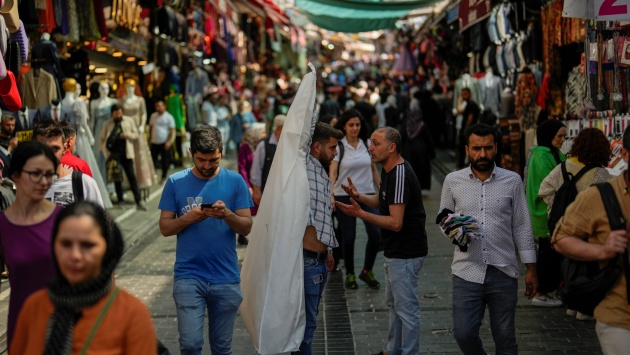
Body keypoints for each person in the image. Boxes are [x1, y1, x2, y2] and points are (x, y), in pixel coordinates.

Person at [439, 123, 537, 355]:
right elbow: (443, 217)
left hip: (503, 270)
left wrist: (531, 268)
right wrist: (457, 230)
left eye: (487, 148)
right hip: (466, 270)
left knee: (505, 336)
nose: (482, 154)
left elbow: (522, 225)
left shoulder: (512, 181)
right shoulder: (453, 180)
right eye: (476, 149)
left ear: (496, 148)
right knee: (463, 333)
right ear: (467, 149)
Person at [10, 201, 157, 354]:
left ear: (107, 248)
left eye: (87, 245)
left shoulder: (132, 314)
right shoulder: (34, 307)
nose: (75, 255)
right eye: (65, 244)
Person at [158, 125, 253, 354]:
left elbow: (247, 226)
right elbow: (164, 227)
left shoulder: (235, 181)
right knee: (190, 344)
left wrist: (227, 214)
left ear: (221, 151)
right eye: (201, 160)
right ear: (191, 152)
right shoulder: (175, 182)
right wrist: (188, 218)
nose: (207, 166)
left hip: (226, 277)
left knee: (222, 348)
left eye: (214, 160)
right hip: (189, 276)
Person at [335, 127, 429, 355]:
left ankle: (407, 352)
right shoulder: (389, 170)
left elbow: (396, 222)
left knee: (406, 310)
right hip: (396, 252)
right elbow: (383, 201)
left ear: (392, 147)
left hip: (406, 253)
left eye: (375, 144)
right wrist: (360, 198)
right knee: (395, 306)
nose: (370, 148)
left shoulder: (399, 174)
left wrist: (360, 214)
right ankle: (393, 349)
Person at [552, 126, 630, 355]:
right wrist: (601, 251)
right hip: (619, 318)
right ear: (624, 155)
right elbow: (561, 237)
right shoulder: (601, 193)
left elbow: (546, 188)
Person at [539, 127, 612, 319]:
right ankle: (584, 308)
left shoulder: (564, 166)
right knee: (588, 265)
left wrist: (557, 208)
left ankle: (572, 304)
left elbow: (544, 189)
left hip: (564, 223)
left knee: (570, 262)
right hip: (587, 227)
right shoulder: (600, 174)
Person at [0, 141, 62, 348]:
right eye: (35, 174)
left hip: (65, 326)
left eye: (49, 175)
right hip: (22, 328)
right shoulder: (3, 225)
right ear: (15, 175)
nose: (43, 181)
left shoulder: (65, 220)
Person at [294, 122, 343, 354]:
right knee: (306, 327)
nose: (335, 153)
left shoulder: (319, 171)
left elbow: (322, 215)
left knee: (307, 324)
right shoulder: (303, 169)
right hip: (308, 262)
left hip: (319, 260)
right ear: (316, 146)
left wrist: (330, 251)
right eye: (332, 148)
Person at [329, 109, 382, 290]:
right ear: (344, 126)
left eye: (357, 125)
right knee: (349, 237)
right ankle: (350, 274)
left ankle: (367, 271)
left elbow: (374, 170)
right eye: (351, 125)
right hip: (344, 194)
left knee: (376, 234)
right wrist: (330, 194)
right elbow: (333, 172)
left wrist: (383, 189)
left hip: (367, 194)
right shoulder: (339, 146)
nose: (354, 128)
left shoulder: (367, 144)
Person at [525, 119, 567, 307]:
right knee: (547, 254)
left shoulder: (553, 152)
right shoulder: (542, 156)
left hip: (553, 211)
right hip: (544, 211)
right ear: (549, 135)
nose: (562, 140)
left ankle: (549, 290)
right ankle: (541, 293)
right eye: (559, 136)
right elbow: (550, 184)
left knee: (551, 253)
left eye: (564, 136)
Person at [33, 121, 104, 207]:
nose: (49, 155)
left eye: (55, 148)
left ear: (65, 148)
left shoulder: (84, 183)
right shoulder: (25, 185)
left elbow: (98, 219)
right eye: (43, 148)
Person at [99, 105, 147, 210]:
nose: (118, 115)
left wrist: (127, 134)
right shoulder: (107, 124)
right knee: (117, 178)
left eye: (120, 112)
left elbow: (136, 134)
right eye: (116, 113)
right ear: (112, 114)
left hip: (127, 152)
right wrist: (106, 153)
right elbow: (101, 140)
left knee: (131, 176)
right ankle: (120, 200)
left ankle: (138, 200)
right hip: (114, 154)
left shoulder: (128, 121)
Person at [237, 122, 266, 246]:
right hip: (248, 182)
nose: (264, 135)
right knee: (246, 209)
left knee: (261, 210)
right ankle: (242, 234)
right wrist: (247, 185)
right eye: (262, 132)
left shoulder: (260, 145)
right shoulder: (245, 147)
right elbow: (241, 166)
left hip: (257, 182)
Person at [402, 90, 435, 192]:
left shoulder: (406, 124)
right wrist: (432, 153)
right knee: (421, 172)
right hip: (422, 152)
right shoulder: (422, 125)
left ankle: (410, 189)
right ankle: (418, 189)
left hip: (408, 152)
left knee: (410, 171)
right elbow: (428, 140)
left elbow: (401, 138)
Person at [250, 114, 286, 205]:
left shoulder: (288, 144)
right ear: (278, 129)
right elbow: (256, 169)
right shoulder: (264, 145)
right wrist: (257, 190)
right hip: (267, 189)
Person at [149, 100, 176, 182]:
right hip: (154, 142)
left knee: (165, 160)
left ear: (164, 106)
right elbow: (151, 128)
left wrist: (169, 141)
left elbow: (172, 131)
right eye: (156, 106)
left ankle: (164, 175)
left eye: (159, 106)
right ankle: (153, 175)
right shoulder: (153, 116)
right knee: (152, 160)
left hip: (164, 142)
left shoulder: (169, 117)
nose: (158, 108)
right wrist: (150, 138)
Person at [456, 88, 481, 169]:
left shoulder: (471, 104)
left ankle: (462, 165)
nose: (464, 96)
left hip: (468, 130)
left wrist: (466, 130)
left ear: (470, 94)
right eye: (462, 94)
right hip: (469, 130)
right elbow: (459, 111)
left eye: (466, 94)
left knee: (465, 149)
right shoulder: (469, 104)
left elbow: (470, 118)